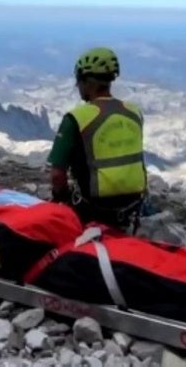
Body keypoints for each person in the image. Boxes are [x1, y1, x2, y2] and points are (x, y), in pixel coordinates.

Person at [46, 46, 148, 233]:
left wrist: (63, 198)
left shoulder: (76, 118)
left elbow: (57, 175)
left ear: (87, 82)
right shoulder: (134, 112)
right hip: (132, 207)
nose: (78, 86)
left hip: (93, 210)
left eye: (79, 81)